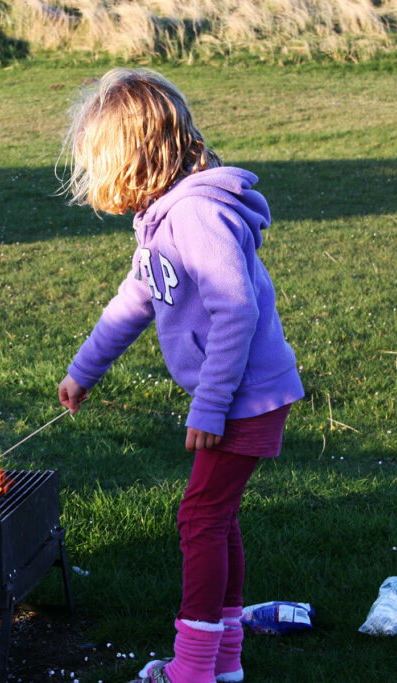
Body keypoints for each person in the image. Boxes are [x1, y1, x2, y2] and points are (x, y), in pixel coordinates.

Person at [56, 68, 305, 683]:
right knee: (217, 519)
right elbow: (134, 300)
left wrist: (210, 406)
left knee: (198, 519)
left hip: (245, 397)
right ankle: (223, 665)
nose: (97, 181)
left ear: (136, 157)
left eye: (101, 163)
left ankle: (192, 671)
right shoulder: (162, 220)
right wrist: (84, 370)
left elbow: (236, 308)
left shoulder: (195, 215)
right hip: (240, 396)